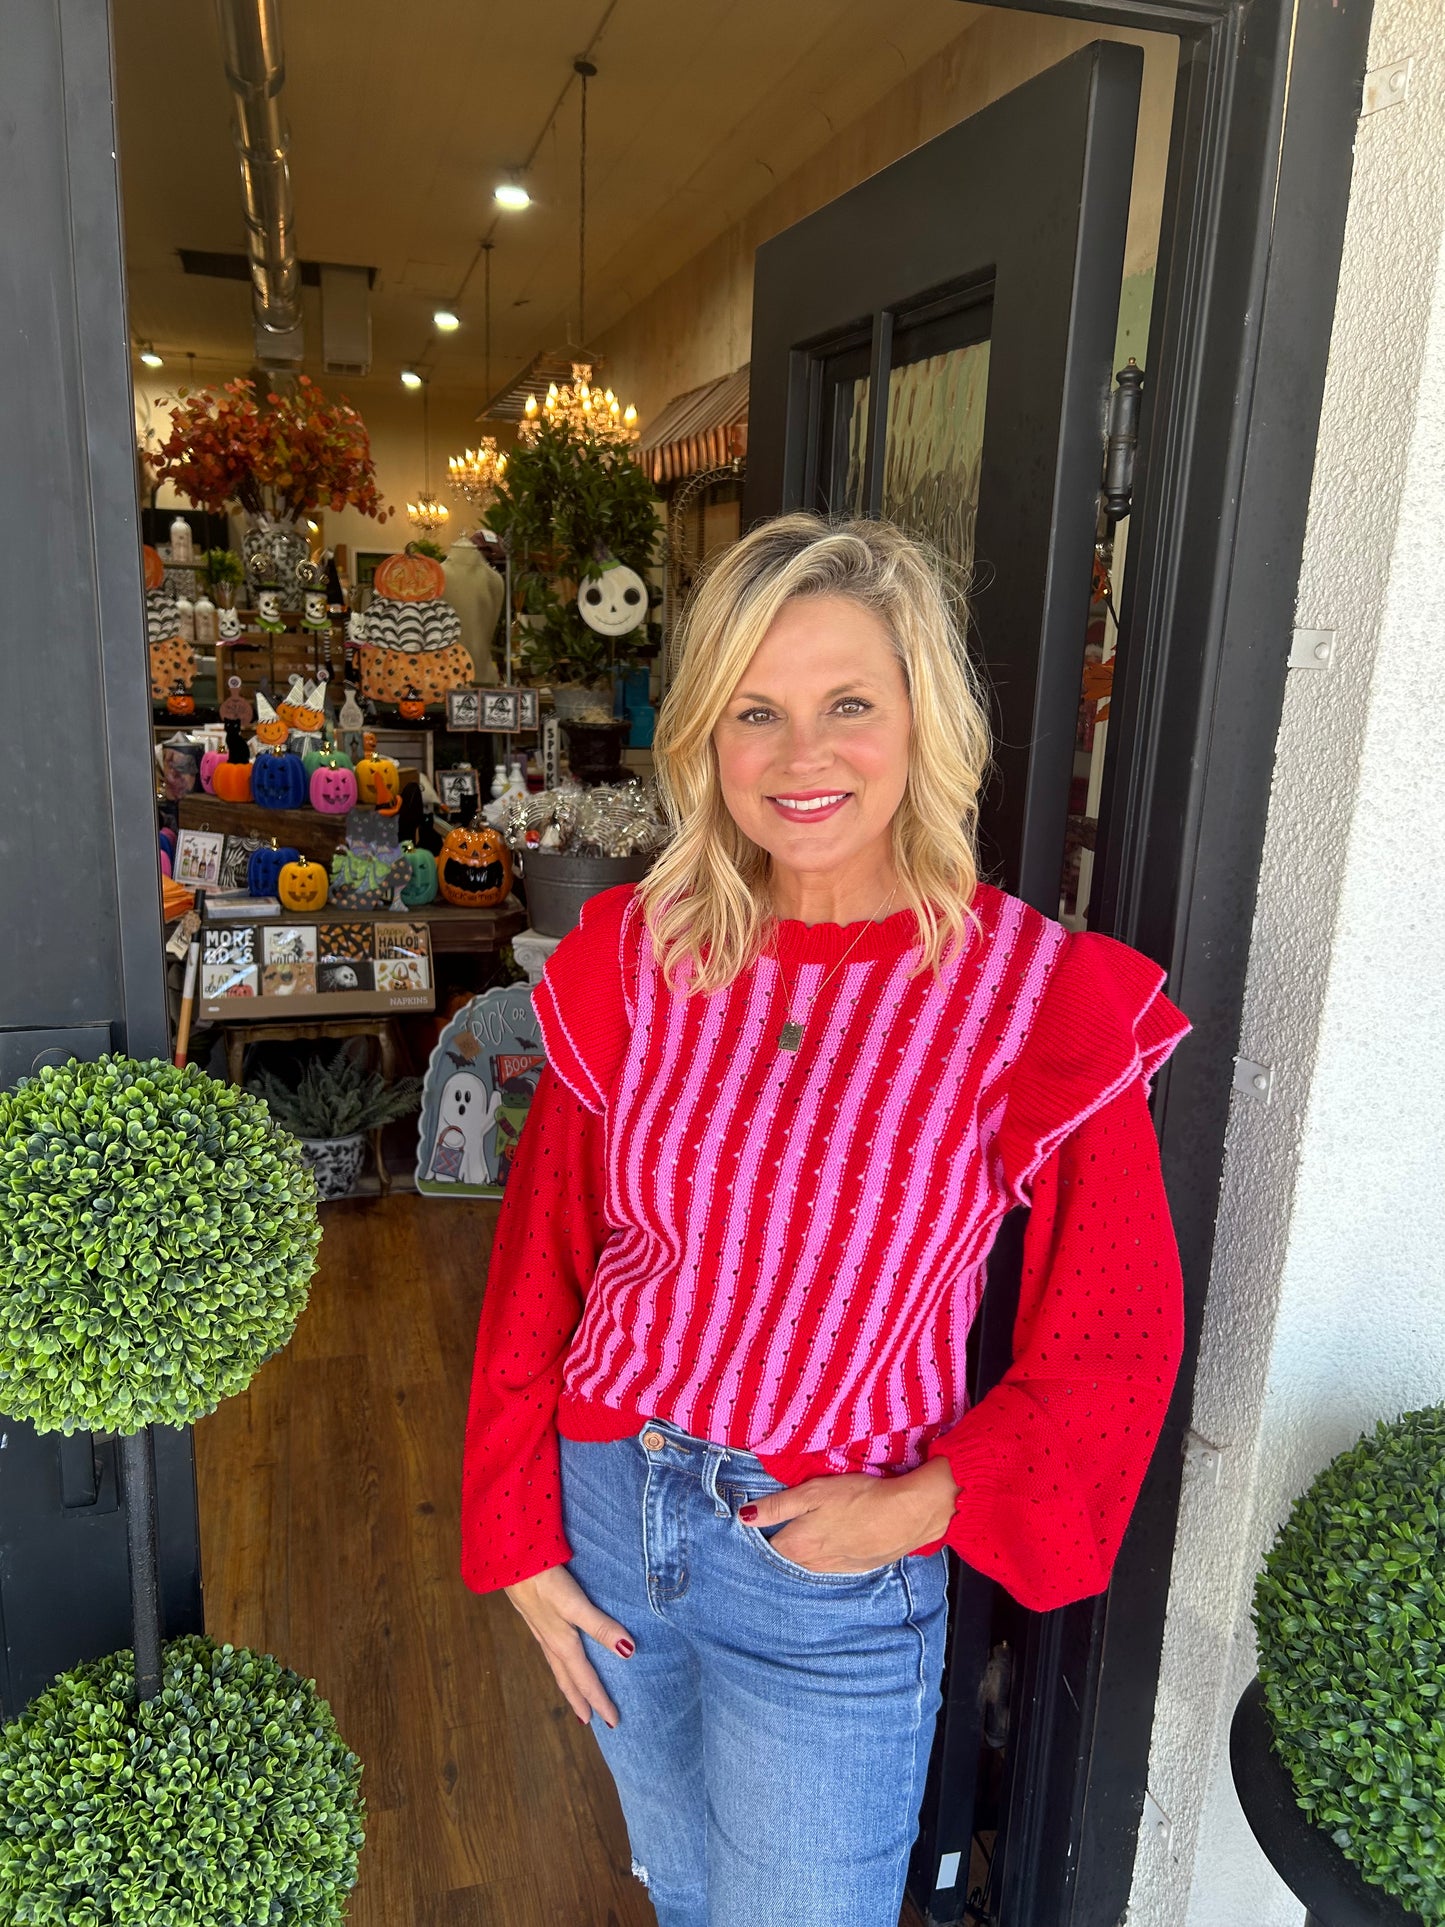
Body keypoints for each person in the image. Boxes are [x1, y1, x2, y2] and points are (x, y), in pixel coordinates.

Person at [461, 514, 1190, 1927]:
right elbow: (544, 1261)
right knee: (681, 1894)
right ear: (705, 740)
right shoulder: (637, 953)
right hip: (612, 1510)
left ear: (922, 717)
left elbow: (1111, 1336)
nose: (803, 757)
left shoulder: (1033, 998)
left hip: (825, 1579)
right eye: (757, 712)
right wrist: (517, 1530)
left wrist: (928, 1501)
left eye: (847, 704)